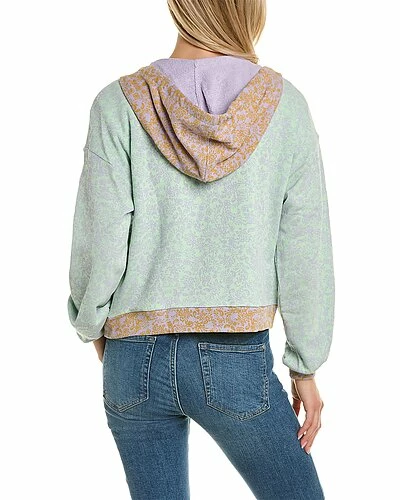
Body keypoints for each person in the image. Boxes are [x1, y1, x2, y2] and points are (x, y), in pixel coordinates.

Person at [67, 1, 335, 498]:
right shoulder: (285, 107)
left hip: (132, 356)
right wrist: (305, 363)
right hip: (234, 355)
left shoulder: (117, 103)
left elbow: (102, 235)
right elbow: (305, 248)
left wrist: (92, 323)